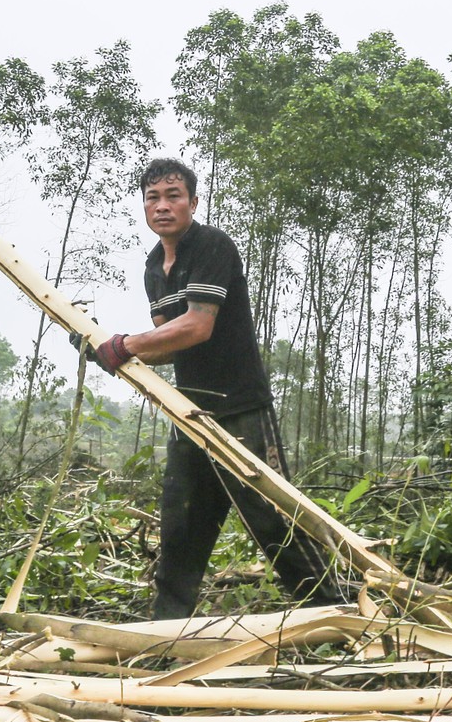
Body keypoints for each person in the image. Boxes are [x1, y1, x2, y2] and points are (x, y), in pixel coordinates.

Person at [76, 159, 336, 620]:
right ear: (143, 206)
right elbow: (166, 346)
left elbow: (196, 327)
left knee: (273, 519)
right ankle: (166, 627)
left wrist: (125, 345)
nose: (162, 206)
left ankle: (334, 611)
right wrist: (103, 349)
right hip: (188, 413)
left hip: (240, 409)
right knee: (181, 524)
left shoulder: (212, 246)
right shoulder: (155, 266)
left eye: (173, 196)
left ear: (192, 203)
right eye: (153, 198)